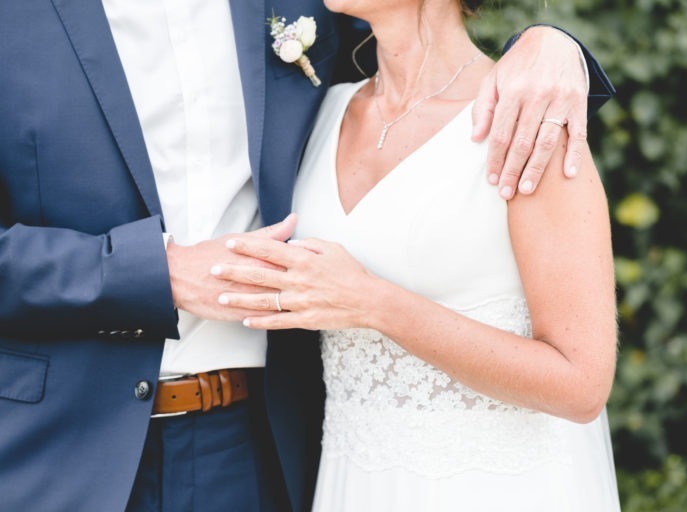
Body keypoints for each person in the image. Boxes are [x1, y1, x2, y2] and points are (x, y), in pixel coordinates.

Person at [0, 1, 613, 511]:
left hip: (264, 450)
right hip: (63, 451)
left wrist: (552, 44)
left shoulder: (303, 16)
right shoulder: (339, 112)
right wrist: (150, 272)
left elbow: (429, 39)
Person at [215, 0, 620, 510]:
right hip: (353, 483)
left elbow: (581, 384)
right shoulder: (323, 109)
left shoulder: (528, 123)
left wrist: (374, 303)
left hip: (494, 489)